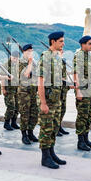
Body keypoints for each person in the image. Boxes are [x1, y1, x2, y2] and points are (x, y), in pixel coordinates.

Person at [38, 31, 66, 169]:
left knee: (54, 127)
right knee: (46, 129)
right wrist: (43, 103)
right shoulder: (46, 57)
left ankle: (51, 152)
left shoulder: (56, 57)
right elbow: (41, 81)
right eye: (61, 41)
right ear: (53, 42)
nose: (63, 43)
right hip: (48, 101)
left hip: (56, 100)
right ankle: (45, 157)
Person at [73, 35, 91, 151]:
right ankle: (80, 141)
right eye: (89, 43)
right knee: (82, 116)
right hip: (83, 91)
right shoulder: (79, 56)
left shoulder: (90, 56)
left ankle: (86, 138)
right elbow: (76, 74)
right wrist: (78, 91)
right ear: (83, 44)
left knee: (89, 115)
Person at [17, 44, 39, 144]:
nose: (31, 53)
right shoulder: (20, 62)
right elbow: (25, 75)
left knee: (34, 113)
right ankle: (24, 135)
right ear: (24, 52)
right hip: (24, 92)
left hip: (33, 91)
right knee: (25, 114)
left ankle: (30, 132)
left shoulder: (34, 62)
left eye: (32, 51)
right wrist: (30, 63)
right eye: (29, 51)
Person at [3, 51, 20, 131]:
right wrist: (3, 89)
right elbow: (2, 77)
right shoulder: (6, 65)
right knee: (11, 106)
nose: (15, 59)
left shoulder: (17, 65)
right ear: (11, 57)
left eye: (17, 58)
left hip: (16, 89)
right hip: (8, 90)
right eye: (14, 58)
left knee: (17, 106)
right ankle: (6, 123)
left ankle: (14, 122)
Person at [57, 49, 72, 137]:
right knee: (58, 110)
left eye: (62, 51)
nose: (62, 52)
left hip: (63, 90)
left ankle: (59, 126)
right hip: (58, 90)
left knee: (63, 109)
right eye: (60, 51)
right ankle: (56, 128)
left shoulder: (63, 61)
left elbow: (64, 75)